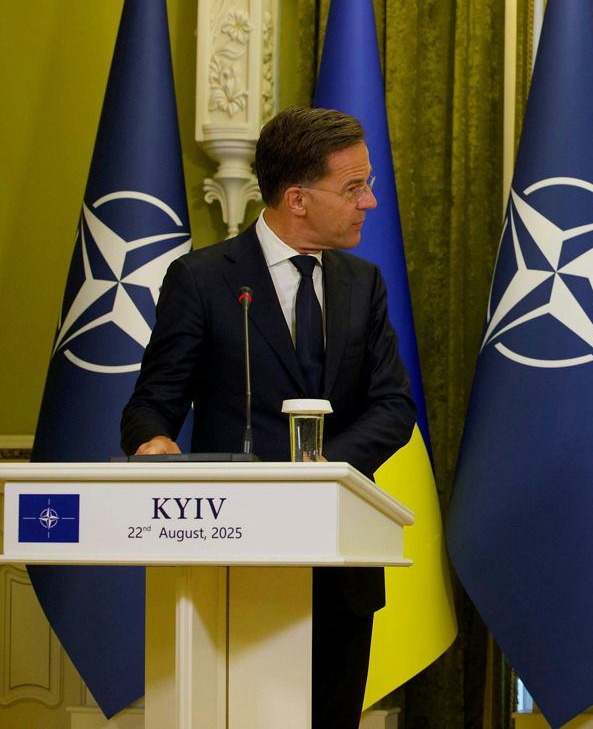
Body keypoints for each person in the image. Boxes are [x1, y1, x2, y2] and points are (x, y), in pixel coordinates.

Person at [121, 106, 415, 729]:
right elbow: (152, 402)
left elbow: (394, 407)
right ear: (298, 198)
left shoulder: (363, 283)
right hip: (231, 560)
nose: (370, 202)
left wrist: (320, 471)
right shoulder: (202, 280)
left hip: (339, 564)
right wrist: (152, 441)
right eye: (355, 187)